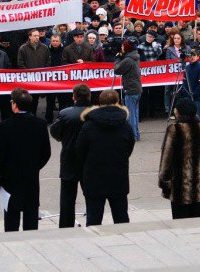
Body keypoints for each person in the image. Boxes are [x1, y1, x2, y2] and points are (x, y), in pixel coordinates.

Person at [0, 88, 51, 231]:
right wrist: (34, 165)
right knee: (31, 216)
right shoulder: (40, 124)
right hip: (31, 177)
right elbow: (46, 152)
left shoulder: (5, 126)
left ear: (14, 105)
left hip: (10, 178)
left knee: (11, 219)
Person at [76, 89, 135, 226]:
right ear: (117, 102)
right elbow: (129, 147)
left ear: (99, 102)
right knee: (121, 218)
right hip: (118, 176)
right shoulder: (125, 125)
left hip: (94, 177)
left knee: (93, 219)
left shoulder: (89, 125)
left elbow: (80, 150)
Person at [158, 98, 200, 219]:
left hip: (179, 186)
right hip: (197, 185)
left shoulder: (174, 129)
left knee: (180, 221)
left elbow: (166, 158)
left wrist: (164, 181)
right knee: (196, 221)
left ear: (179, 112)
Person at [50, 84, 92, 228]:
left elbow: (55, 132)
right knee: (92, 198)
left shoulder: (65, 114)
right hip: (90, 160)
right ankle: (93, 223)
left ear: (74, 97)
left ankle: (66, 227)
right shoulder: (96, 113)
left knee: (67, 199)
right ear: (89, 96)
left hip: (70, 159)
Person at [17, 28, 51, 115]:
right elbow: (20, 63)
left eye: (38, 36)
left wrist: (43, 73)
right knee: (28, 99)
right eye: (35, 36)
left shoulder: (44, 48)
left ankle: (33, 116)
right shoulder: (23, 48)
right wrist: (28, 74)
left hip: (40, 78)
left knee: (35, 99)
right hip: (28, 79)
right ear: (30, 37)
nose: (37, 37)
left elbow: (48, 62)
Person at [114, 37, 142, 141]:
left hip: (130, 88)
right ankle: (136, 134)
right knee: (135, 113)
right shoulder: (134, 56)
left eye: (123, 46)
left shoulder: (128, 60)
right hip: (136, 88)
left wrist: (117, 59)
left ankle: (132, 135)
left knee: (130, 114)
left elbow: (117, 70)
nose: (121, 48)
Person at [182, 49, 200, 119]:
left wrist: (194, 93)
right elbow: (184, 81)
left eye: (194, 55)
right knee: (188, 117)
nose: (192, 57)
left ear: (198, 57)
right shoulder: (187, 67)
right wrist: (185, 92)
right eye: (190, 56)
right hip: (187, 96)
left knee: (197, 117)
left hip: (197, 97)